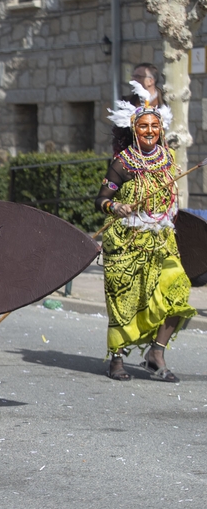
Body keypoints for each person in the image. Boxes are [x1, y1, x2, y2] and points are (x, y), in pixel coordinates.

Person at [98, 81, 196, 382]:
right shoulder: (122, 163)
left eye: (155, 125)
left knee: (178, 287)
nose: (150, 131)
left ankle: (156, 352)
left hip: (161, 240)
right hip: (127, 241)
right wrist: (115, 208)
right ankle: (117, 357)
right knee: (124, 300)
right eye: (143, 126)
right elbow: (102, 198)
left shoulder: (167, 158)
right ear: (134, 129)